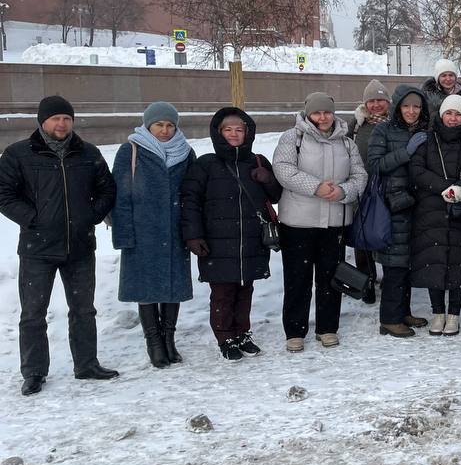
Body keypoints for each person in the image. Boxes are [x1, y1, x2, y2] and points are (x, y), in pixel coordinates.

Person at [0, 96, 117, 395]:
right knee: (33, 313)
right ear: (42, 122)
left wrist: (91, 215)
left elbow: (107, 188)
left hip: (79, 247)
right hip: (37, 249)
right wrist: (32, 218)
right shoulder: (18, 154)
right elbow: (3, 193)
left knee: (83, 309)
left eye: (66, 118)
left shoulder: (88, 154)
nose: (61, 124)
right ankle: (34, 372)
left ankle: (86, 364)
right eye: (55, 119)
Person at [181, 108, 281, 361]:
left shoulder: (257, 161)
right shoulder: (205, 165)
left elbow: (276, 196)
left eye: (239, 129)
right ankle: (225, 337)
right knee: (223, 292)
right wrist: (193, 235)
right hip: (217, 242)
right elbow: (190, 201)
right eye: (228, 129)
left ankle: (242, 333)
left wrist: (268, 180)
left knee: (245, 288)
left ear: (248, 132)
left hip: (250, 239)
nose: (234, 134)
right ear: (218, 132)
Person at [273, 92, 368, 351]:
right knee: (297, 279)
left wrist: (344, 191)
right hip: (298, 224)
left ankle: (327, 328)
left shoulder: (346, 143)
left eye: (327, 112)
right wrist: (316, 187)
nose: (323, 117)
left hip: (334, 223)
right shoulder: (292, 138)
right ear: (308, 114)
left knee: (330, 278)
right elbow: (283, 170)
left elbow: (360, 174)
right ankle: (295, 330)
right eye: (317, 113)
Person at [112, 102, 195, 369]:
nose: (165, 130)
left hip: (175, 232)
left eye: (170, 125)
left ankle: (169, 339)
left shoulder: (186, 152)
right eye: (159, 124)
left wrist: (192, 230)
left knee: (173, 290)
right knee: (146, 291)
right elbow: (120, 198)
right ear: (148, 125)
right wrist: (124, 235)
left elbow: (193, 195)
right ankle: (154, 342)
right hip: (143, 233)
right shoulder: (131, 150)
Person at [409, 94, 461, 336]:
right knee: (434, 260)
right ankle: (438, 312)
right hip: (431, 209)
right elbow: (417, 169)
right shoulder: (427, 140)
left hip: (460, 208)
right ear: (441, 115)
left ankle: (454, 314)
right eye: (449, 113)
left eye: (458, 114)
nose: (452, 118)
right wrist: (443, 187)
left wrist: (460, 188)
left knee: (458, 261)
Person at [366, 85, 430, 338]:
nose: (411, 111)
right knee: (394, 265)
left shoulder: (425, 130)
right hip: (393, 206)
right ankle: (389, 319)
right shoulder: (383, 130)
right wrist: (407, 151)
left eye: (416, 106)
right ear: (397, 107)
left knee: (407, 264)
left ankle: (403, 312)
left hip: (417, 205)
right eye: (406, 106)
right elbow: (376, 165)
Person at [349, 79, 391, 304]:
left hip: (387, 187)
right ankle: (366, 280)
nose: (376, 105)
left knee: (385, 233)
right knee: (362, 236)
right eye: (372, 101)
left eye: (381, 100)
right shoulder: (356, 125)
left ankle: (389, 277)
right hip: (361, 187)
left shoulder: (396, 122)